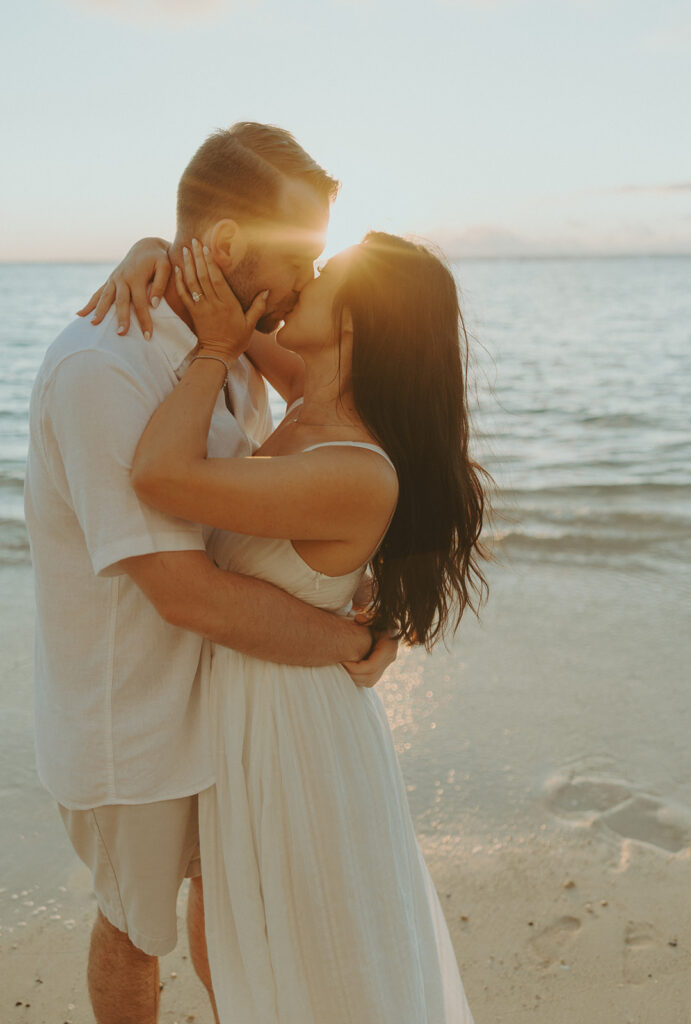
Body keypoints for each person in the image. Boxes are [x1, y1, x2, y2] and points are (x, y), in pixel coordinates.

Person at [24, 123, 397, 1024]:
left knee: (233, 919)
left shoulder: (225, 343)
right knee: (134, 932)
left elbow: (311, 457)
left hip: (228, 709)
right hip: (136, 728)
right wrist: (350, 639)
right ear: (226, 246)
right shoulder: (101, 370)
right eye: (297, 258)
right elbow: (183, 588)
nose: (308, 281)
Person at [98, 229, 488, 1022]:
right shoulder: (317, 399)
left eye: (322, 277)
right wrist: (150, 250)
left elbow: (159, 476)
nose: (301, 280)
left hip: (296, 738)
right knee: (268, 954)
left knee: (314, 958)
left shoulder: (353, 468)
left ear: (353, 327)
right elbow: (248, 325)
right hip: (258, 717)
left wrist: (210, 352)